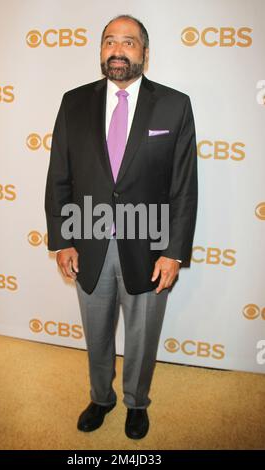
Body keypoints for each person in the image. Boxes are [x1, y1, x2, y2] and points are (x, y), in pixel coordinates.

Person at [45, 14, 198, 440]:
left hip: (149, 247)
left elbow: (184, 187)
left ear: (145, 54)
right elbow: (59, 175)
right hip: (87, 241)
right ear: (100, 51)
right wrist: (61, 240)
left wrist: (173, 250)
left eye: (129, 42)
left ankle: (136, 401)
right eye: (110, 41)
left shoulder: (174, 104)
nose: (117, 49)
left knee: (143, 334)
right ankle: (101, 397)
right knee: (96, 332)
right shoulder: (72, 102)